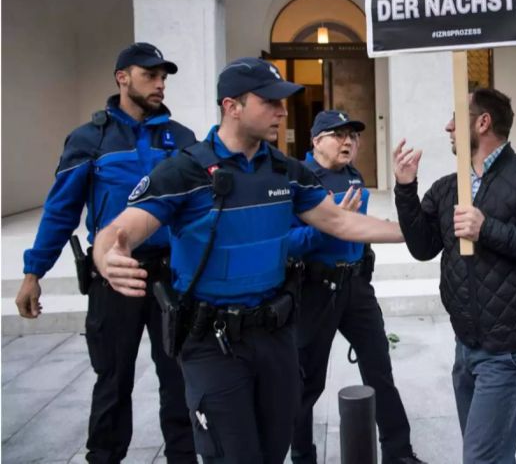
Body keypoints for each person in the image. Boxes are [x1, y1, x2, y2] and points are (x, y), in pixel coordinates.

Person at [92, 58, 405, 463]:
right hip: (212, 343)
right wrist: (106, 255)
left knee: (273, 449)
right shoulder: (185, 170)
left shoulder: (285, 171)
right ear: (232, 106)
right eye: (269, 101)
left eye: (281, 102)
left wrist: (415, 233)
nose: (282, 110)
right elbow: (119, 230)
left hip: (275, 338)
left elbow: (341, 222)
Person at [14, 42, 197, 463]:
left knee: (180, 380)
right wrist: (33, 272)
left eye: (164, 77)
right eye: (150, 75)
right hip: (114, 278)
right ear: (122, 77)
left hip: (172, 277)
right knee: (113, 382)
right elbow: (61, 210)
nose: (160, 84)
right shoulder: (89, 139)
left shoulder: (181, 138)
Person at [393, 88, 516, 464]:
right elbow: (422, 246)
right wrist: (404, 187)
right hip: (466, 344)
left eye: (456, 118)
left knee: (480, 457)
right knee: (494, 455)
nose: (448, 126)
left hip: (507, 350)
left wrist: (488, 230)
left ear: (483, 123)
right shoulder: (450, 187)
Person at [290, 110, 423, 464]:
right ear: (316, 141)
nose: (348, 141)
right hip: (315, 290)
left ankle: (399, 453)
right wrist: (326, 225)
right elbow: (286, 243)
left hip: (355, 287)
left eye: (353, 135)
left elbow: (360, 228)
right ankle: (303, 456)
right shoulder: (297, 180)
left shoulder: (354, 176)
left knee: (379, 371)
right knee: (306, 384)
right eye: (338, 135)